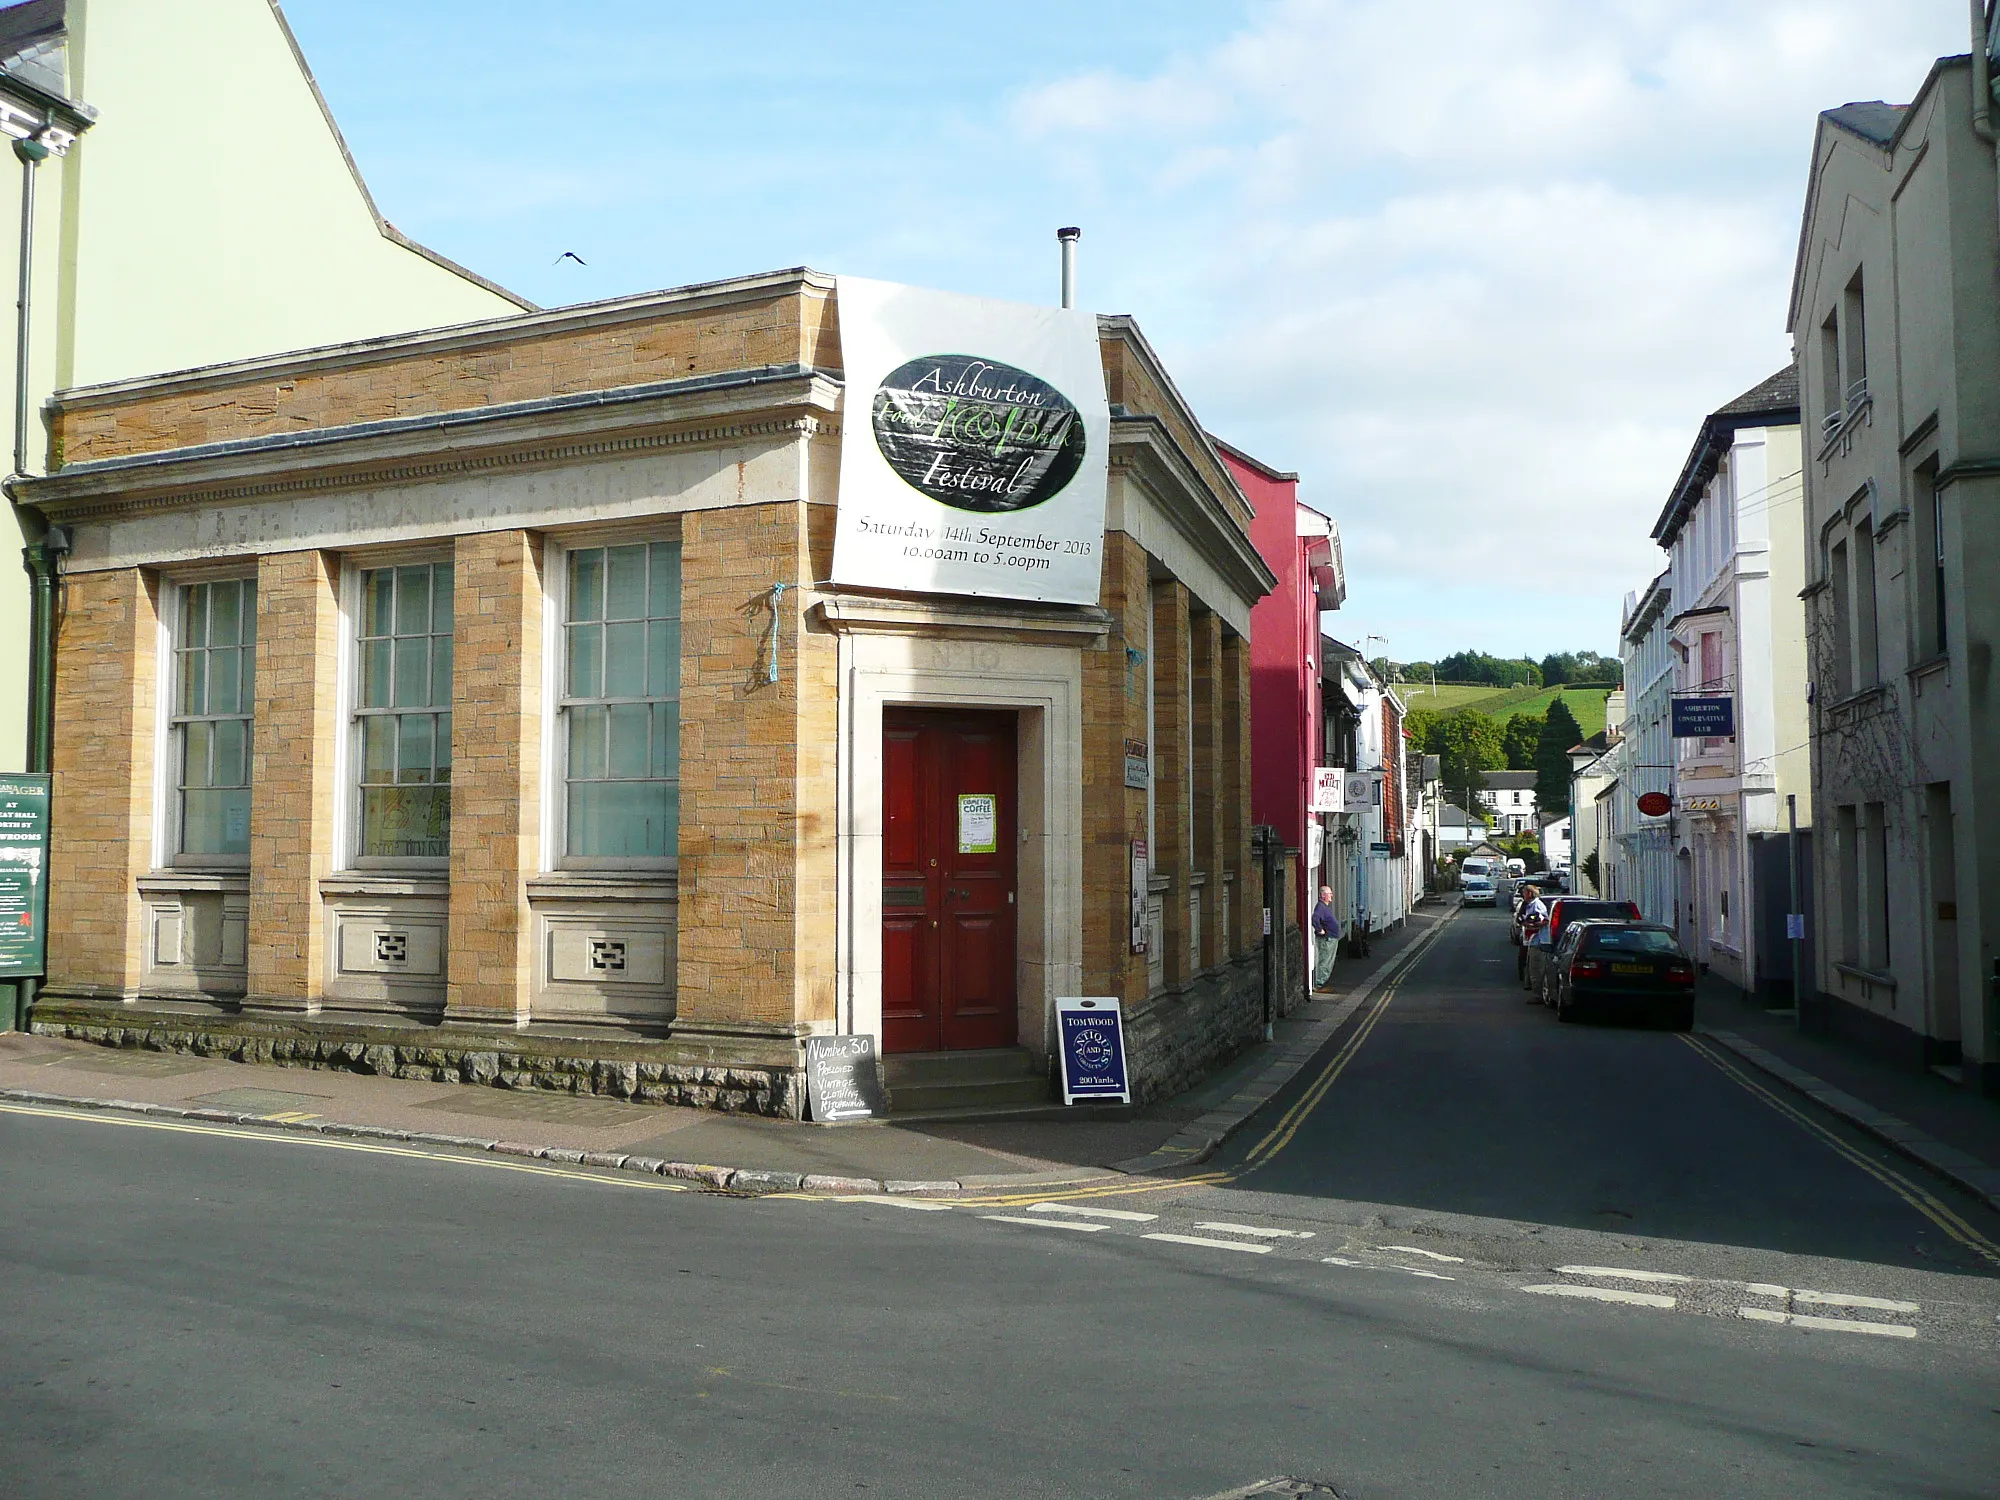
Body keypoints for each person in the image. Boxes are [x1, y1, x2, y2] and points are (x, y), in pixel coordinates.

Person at [1311, 885, 1341, 993]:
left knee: (1327, 962)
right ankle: (1319, 984)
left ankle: (1321, 983)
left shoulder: (1324, 907)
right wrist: (1320, 930)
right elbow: (1314, 919)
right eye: (1329, 894)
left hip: (1330, 938)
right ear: (1323, 895)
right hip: (1327, 940)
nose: (1332, 895)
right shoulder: (1321, 907)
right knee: (1325, 961)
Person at [1517, 885, 1548, 983]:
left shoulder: (1537, 905)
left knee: (1535, 967)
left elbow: (1544, 920)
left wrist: (1533, 925)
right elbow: (1521, 917)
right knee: (1527, 962)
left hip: (1537, 940)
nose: (1523, 894)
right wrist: (1524, 922)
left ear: (1530, 893)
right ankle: (1528, 983)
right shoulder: (1527, 904)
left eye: (1524, 892)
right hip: (1529, 939)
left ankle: (1537, 992)